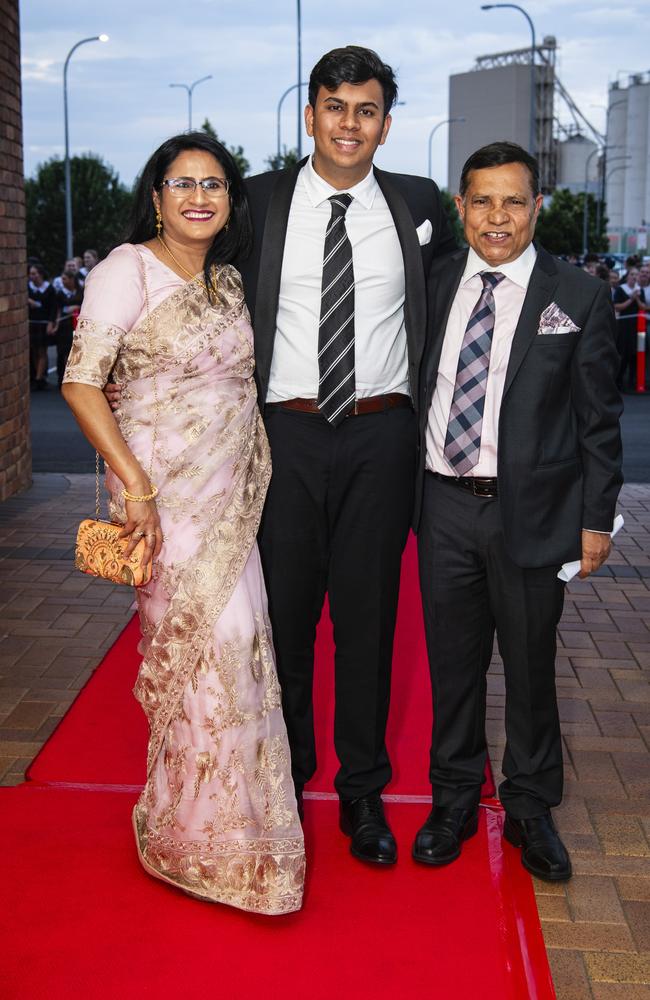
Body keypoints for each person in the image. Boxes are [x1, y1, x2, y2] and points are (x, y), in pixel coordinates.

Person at [62, 132, 304, 914]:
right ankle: (188, 837)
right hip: (166, 512)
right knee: (205, 659)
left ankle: (238, 838)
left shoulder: (230, 284)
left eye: (214, 184)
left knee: (240, 657)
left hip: (233, 508)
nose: (199, 196)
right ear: (157, 196)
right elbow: (80, 383)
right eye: (182, 183)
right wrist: (134, 485)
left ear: (229, 201)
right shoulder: (124, 270)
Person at [239, 45, 457, 865]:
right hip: (284, 433)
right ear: (310, 115)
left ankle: (363, 795)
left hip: (380, 434)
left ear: (386, 124)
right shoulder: (257, 204)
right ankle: (287, 785)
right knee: (285, 623)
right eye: (336, 106)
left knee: (369, 622)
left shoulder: (416, 203)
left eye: (366, 110)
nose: (350, 124)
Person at [413, 142, 622, 881]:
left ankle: (530, 806)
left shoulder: (580, 296)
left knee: (531, 668)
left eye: (512, 201)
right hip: (441, 503)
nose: (496, 216)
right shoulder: (433, 284)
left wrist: (597, 520)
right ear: (461, 206)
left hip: (532, 513)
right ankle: (455, 797)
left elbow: (599, 421)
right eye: (481, 200)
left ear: (538, 207)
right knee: (453, 665)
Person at [28, 262, 57, 390]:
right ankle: (37, 375)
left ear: (40, 274)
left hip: (43, 323)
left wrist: (51, 323)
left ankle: (39, 378)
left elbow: (53, 308)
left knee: (42, 351)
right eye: (30, 274)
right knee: (34, 350)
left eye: (34, 273)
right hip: (32, 322)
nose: (31, 276)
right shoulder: (28, 288)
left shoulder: (49, 289)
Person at [54, 268, 84, 387]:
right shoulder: (60, 293)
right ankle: (63, 376)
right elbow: (57, 310)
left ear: (72, 280)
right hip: (64, 327)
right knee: (64, 352)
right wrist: (55, 324)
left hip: (77, 326)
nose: (63, 282)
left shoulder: (81, 292)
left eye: (65, 279)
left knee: (76, 351)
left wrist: (77, 307)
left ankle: (75, 376)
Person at [613, 266, 641, 389]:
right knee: (623, 353)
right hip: (624, 325)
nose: (634, 277)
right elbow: (617, 307)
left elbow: (643, 306)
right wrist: (631, 299)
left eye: (636, 275)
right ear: (628, 276)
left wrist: (637, 298)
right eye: (632, 274)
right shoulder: (620, 289)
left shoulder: (639, 290)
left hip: (637, 326)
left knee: (635, 354)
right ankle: (619, 380)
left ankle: (632, 380)